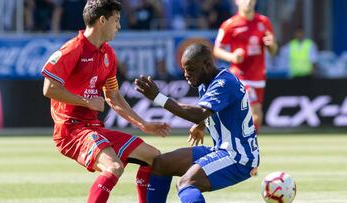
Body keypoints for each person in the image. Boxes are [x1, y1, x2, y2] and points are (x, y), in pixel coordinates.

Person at [41, 1, 170, 203]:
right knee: (114, 167)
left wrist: (143, 124)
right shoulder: (72, 49)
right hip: (71, 130)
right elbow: (49, 89)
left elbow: (114, 97)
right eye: (116, 20)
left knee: (154, 158)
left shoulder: (108, 54)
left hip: (93, 128)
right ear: (102, 20)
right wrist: (86, 101)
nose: (119, 26)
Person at [135, 44, 259, 203]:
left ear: (207, 65)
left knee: (186, 183)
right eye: (184, 69)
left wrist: (158, 97)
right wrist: (201, 125)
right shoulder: (206, 82)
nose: (186, 74)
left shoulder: (224, 82)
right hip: (222, 149)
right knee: (161, 164)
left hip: (238, 157)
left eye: (191, 70)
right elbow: (211, 111)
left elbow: (198, 113)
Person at [213, 0, 278, 131]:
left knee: (250, 117)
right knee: (256, 115)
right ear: (237, 2)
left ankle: (244, 147)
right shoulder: (229, 24)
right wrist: (232, 57)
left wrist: (272, 45)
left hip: (258, 76)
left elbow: (273, 50)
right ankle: (247, 148)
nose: (248, 2)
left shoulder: (264, 22)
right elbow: (216, 50)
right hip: (240, 76)